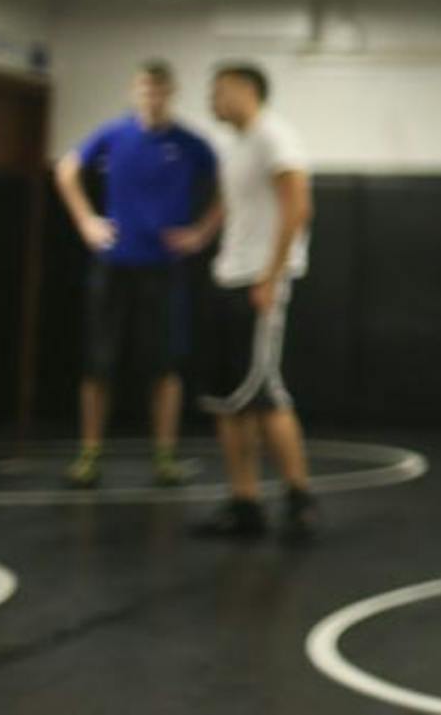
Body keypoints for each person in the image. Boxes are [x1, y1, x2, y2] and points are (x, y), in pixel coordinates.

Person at [53, 59, 220, 489]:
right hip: (113, 264)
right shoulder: (113, 135)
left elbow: (228, 183)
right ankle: (89, 453)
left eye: (160, 89)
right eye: (146, 88)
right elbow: (66, 170)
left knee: (164, 365)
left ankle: (164, 456)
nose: (153, 96)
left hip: (163, 267)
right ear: (134, 92)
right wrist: (86, 220)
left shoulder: (188, 143)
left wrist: (202, 231)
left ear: (172, 93)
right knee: (98, 363)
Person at [181, 62, 318, 544]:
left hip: (260, 281)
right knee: (227, 400)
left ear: (245, 91)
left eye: (219, 92)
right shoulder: (231, 143)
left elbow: (298, 206)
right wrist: (202, 233)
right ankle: (245, 501)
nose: (212, 100)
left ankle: (300, 498)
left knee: (264, 394)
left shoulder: (275, 137)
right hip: (228, 274)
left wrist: (271, 274)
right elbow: (230, 199)